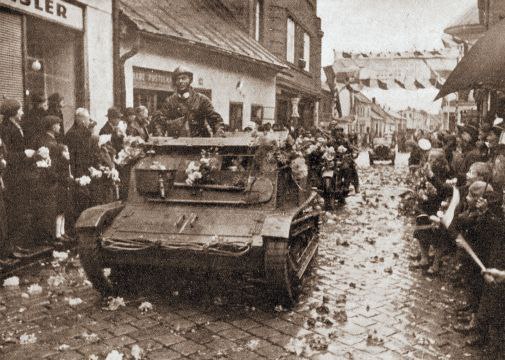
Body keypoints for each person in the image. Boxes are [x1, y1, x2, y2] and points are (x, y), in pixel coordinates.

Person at [0, 99, 36, 251]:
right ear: (13, 113)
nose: (22, 112)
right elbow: (6, 156)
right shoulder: (6, 129)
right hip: (13, 179)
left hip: (20, 177)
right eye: (20, 110)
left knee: (21, 213)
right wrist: (24, 154)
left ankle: (14, 245)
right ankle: (9, 248)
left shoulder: (15, 126)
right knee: (16, 213)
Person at [161, 66, 224, 137]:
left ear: (190, 80)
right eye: (178, 79)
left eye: (184, 78)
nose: (181, 81)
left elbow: (216, 120)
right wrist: (159, 138)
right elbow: (160, 122)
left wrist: (218, 135)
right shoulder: (169, 101)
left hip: (198, 144)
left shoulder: (202, 99)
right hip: (176, 145)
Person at [65, 108, 95, 216]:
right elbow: (77, 157)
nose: (89, 121)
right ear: (82, 120)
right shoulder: (74, 134)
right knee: (81, 200)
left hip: (84, 170)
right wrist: (80, 175)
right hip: (79, 172)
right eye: (88, 119)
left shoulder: (81, 133)